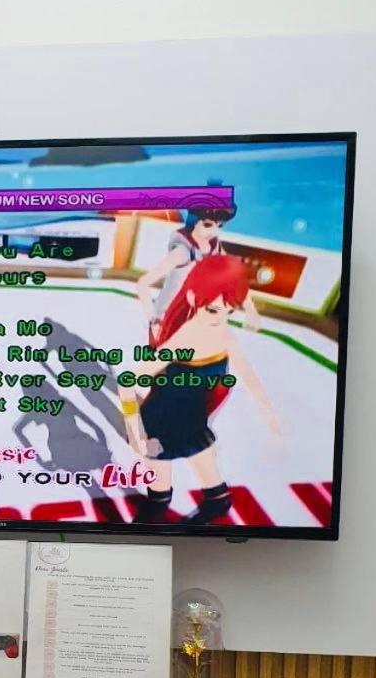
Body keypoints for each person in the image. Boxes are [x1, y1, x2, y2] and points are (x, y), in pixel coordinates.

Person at [119, 254, 280, 523]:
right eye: (214, 310)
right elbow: (127, 381)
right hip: (162, 419)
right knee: (159, 487)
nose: (220, 318)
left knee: (205, 470)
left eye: (230, 311)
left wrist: (269, 414)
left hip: (193, 417)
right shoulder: (186, 338)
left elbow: (248, 375)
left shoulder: (224, 334)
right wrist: (136, 432)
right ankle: (159, 505)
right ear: (193, 298)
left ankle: (215, 500)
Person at [135, 193, 262, 336]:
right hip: (166, 322)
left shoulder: (215, 249)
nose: (213, 231)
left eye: (219, 226)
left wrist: (251, 310)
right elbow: (143, 283)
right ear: (194, 222)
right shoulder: (183, 252)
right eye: (207, 225)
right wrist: (153, 319)